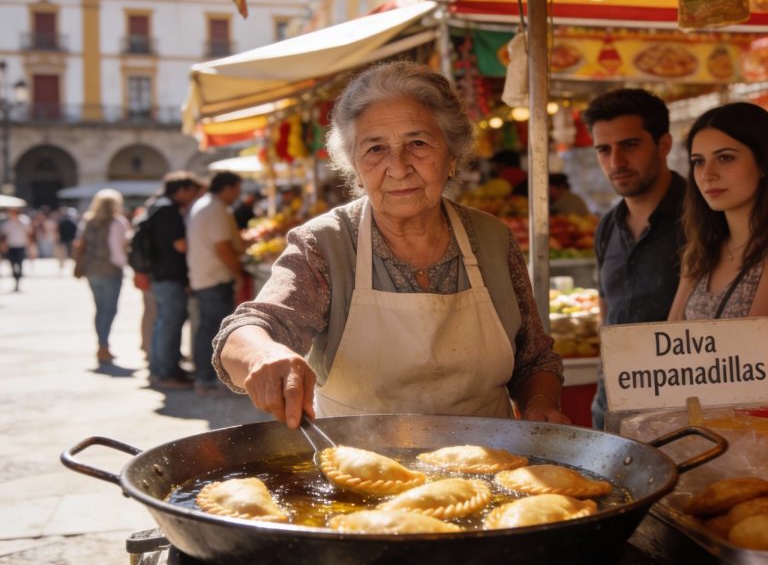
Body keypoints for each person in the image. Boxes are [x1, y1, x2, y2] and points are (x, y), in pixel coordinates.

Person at [212, 60, 568, 429]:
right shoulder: (324, 244)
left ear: (452, 156)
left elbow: (534, 359)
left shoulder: (492, 238)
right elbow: (251, 326)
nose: (398, 167)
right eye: (376, 149)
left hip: (489, 464)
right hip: (361, 469)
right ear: (355, 167)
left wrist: (540, 405)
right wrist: (262, 354)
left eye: (417, 143)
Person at [583, 88, 686, 430]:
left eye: (629, 145)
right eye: (604, 150)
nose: (616, 162)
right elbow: (606, 309)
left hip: (680, 409)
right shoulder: (608, 226)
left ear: (664, 144)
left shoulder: (703, 219)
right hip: (611, 404)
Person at [668, 102, 768, 320]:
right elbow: (670, 339)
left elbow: (755, 344)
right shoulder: (699, 253)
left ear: (763, 164)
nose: (707, 175)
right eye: (698, 162)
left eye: (725, 158)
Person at [186, 170, 244, 397]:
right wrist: (238, 273)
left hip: (205, 277)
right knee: (213, 331)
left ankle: (205, 378)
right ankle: (207, 379)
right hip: (214, 278)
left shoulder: (203, 204)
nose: (237, 196)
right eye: (236, 191)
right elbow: (223, 248)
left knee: (207, 329)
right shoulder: (215, 208)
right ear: (227, 188)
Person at [144, 172, 201, 390]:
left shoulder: (157, 205)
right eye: (191, 191)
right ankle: (165, 373)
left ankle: (161, 369)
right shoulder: (168, 209)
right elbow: (180, 245)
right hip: (170, 276)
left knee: (164, 324)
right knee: (169, 324)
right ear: (182, 190)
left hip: (160, 275)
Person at [74, 189, 131, 363]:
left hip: (92, 269)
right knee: (109, 309)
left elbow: (80, 243)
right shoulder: (117, 222)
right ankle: (103, 345)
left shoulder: (89, 221)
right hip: (110, 270)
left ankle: (102, 344)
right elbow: (117, 249)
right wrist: (123, 263)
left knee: (100, 309)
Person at [1, 208, 33, 291]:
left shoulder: (24, 221)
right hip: (11, 246)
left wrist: (30, 246)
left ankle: (18, 279)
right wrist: (3, 246)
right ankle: (15, 277)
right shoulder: (7, 223)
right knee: (12, 263)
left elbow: (28, 234)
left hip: (21, 246)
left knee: (20, 262)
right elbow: (4, 236)